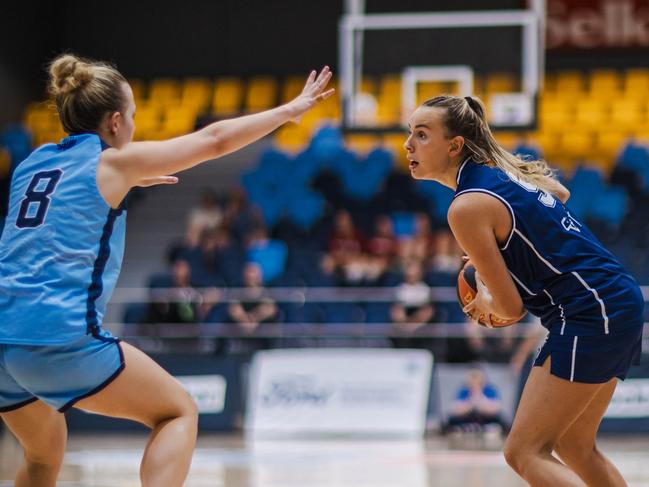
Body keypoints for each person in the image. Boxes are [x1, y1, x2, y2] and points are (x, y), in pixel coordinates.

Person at [0, 54, 333, 487]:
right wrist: (290, 111)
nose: (136, 127)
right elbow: (214, 140)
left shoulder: (33, 163)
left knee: (44, 455)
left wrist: (128, 181)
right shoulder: (112, 164)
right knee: (178, 410)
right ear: (116, 122)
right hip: (56, 338)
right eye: (134, 117)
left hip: (4, 341)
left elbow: (62, 212)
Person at [404, 94, 644, 486]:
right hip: (616, 298)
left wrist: (485, 300)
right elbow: (559, 194)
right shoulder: (497, 174)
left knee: (523, 451)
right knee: (574, 446)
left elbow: (511, 309)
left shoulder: (466, 206)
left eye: (422, 134)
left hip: (589, 309)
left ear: (454, 145)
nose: (408, 145)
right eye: (409, 134)